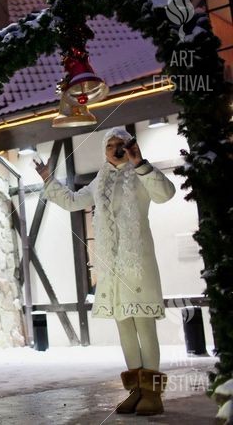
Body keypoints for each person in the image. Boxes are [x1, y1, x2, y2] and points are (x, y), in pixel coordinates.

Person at [33, 127, 176, 415]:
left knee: (144, 326)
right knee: (125, 327)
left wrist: (140, 163)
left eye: (120, 143)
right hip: (112, 268)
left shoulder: (141, 173)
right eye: (109, 145)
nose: (115, 148)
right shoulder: (101, 180)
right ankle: (136, 391)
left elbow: (165, 194)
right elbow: (73, 201)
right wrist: (48, 179)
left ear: (129, 146)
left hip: (138, 265)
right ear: (104, 151)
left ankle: (152, 394)